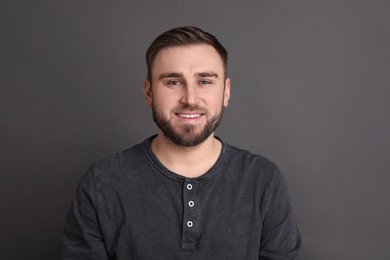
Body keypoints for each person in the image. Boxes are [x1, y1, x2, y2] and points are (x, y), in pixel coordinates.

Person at [62, 26, 301, 260]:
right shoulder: (102, 182)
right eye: (173, 82)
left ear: (226, 92)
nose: (190, 99)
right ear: (148, 92)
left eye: (205, 81)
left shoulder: (264, 181)